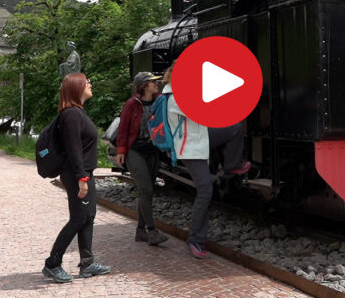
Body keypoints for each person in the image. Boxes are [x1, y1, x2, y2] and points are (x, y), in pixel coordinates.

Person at [161, 66, 251, 259]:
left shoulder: (178, 94)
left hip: (198, 140)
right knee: (205, 191)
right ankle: (195, 240)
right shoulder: (175, 97)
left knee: (234, 127)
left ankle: (232, 166)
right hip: (191, 148)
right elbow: (201, 109)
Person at [42, 73, 110, 283]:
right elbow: (74, 150)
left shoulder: (78, 112)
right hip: (76, 174)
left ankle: (87, 264)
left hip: (83, 173)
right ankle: (52, 263)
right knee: (79, 218)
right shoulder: (71, 114)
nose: (90, 84)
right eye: (87, 81)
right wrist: (81, 178)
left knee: (88, 216)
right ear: (77, 87)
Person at [116, 71, 169, 246]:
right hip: (135, 150)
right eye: (153, 82)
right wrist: (121, 151)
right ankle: (151, 231)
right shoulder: (132, 104)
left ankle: (140, 231)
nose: (156, 84)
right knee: (146, 190)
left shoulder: (159, 100)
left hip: (152, 149)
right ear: (144, 85)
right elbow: (123, 128)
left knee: (146, 191)